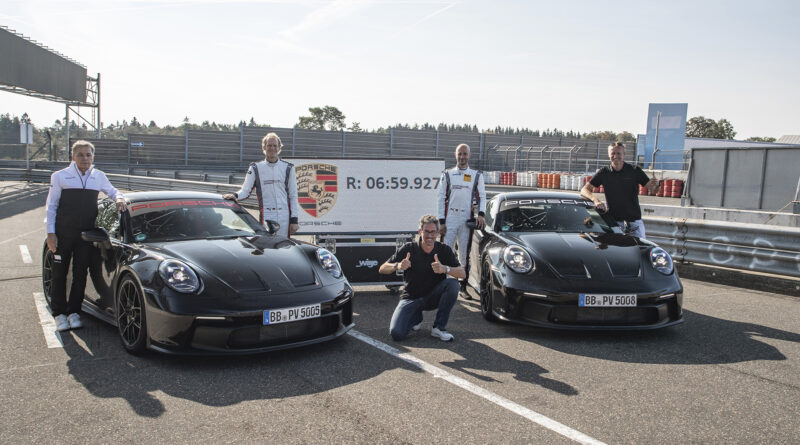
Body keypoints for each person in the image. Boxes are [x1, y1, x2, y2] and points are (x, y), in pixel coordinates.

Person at [45, 140, 127, 331]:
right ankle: (59, 314)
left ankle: (74, 312)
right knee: (59, 274)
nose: (85, 158)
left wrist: (119, 198)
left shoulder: (98, 176)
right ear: (73, 157)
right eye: (81, 155)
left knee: (81, 274)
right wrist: (51, 233)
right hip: (63, 233)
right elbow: (51, 206)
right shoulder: (60, 176)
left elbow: (113, 191)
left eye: (88, 155)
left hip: (86, 235)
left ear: (93, 156)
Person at [380, 215, 465, 342]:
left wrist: (445, 269)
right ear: (420, 231)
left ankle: (439, 328)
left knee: (453, 284)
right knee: (396, 334)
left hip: (432, 297)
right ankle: (415, 318)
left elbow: (462, 274)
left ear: (437, 232)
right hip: (411, 297)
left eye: (433, 232)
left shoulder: (444, 250)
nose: (430, 235)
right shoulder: (409, 248)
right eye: (426, 231)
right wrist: (398, 265)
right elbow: (382, 268)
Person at [223, 132, 299, 237]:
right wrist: (235, 195)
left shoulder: (288, 168)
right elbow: (245, 191)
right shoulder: (255, 168)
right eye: (269, 145)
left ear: (279, 148)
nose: (272, 148)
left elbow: (293, 195)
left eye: (274, 145)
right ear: (264, 147)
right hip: (267, 215)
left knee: (284, 247)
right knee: (267, 246)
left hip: (284, 216)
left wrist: (294, 220)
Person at [436, 143, 486, 299]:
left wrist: (481, 214)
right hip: (449, 218)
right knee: (444, 252)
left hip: (466, 219)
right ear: (455, 155)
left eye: (465, 154)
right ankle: (440, 286)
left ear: (469, 155)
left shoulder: (476, 175)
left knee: (464, 255)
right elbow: (440, 197)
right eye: (460, 154)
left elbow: (482, 197)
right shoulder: (447, 174)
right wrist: (442, 221)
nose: (462, 157)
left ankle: (462, 286)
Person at [580, 142, 659, 238]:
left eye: (618, 153)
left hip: (634, 223)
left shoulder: (635, 170)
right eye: (612, 153)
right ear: (609, 155)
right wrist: (596, 201)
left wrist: (657, 185)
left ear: (624, 154)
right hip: (614, 222)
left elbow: (654, 190)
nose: (615, 156)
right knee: (614, 251)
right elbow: (584, 190)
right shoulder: (604, 172)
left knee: (640, 250)